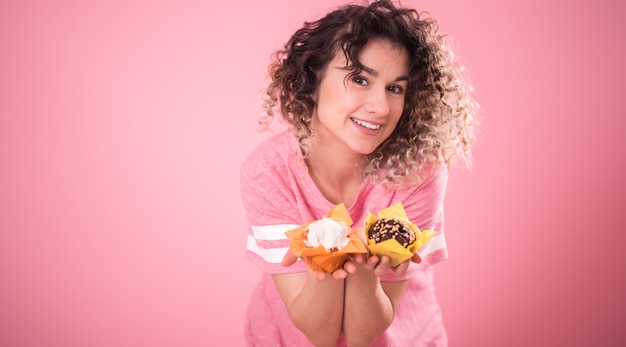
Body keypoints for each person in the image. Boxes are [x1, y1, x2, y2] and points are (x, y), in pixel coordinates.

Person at [239, 0, 477, 346]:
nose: (381, 107)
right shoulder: (268, 173)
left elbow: (363, 336)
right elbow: (319, 335)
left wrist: (363, 268)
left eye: (395, 88)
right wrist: (328, 257)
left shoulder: (419, 171)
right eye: (361, 79)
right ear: (312, 77)